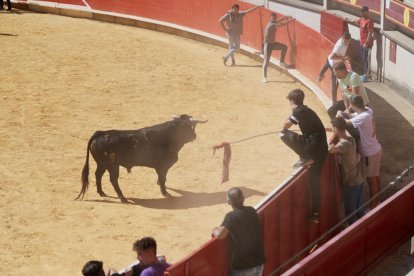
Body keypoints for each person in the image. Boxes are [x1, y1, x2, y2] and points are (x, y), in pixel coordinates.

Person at [280, 89, 328, 222]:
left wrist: (292, 111)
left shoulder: (299, 111)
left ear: (292, 101)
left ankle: (306, 157)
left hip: (312, 149)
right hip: (322, 151)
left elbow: (285, 126)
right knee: (315, 182)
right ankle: (316, 213)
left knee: (282, 134)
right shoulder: (307, 110)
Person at [337, 95, 382, 209]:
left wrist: (339, 115)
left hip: (369, 153)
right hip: (375, 148)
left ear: (352, 105)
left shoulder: (363, 116)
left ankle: (374, 207)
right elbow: (353, 116)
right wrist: (344, 114)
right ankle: (378, 202)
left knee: (371, 180)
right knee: (375, 177)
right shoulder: (368, 110)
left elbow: (346, 122)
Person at [212, 187, 265, 276]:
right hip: (258, 262)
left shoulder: (231, 217)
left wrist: (214, 229)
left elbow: (219, 235)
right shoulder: (251, 211)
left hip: (243, 266)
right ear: (243, 199)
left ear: (228, 202)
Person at [329, 117, 364, 225]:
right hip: (358, 179)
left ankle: (354, 233)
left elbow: (330, 150)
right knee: (359, 209)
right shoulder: (351, 139)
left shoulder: (344, 144)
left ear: (336, 129)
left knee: (350, 212)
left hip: (350, 182)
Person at [329, 61, 370, 141]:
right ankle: (341, 130)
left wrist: (348, 111)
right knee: (331, 111)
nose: (335, 75)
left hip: (360, 106)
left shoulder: (353, 77)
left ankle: (351, 137)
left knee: (349, 121)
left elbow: (356, 97)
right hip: (351, 103)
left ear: (343, 71)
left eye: (336, 73)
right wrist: (347, 107)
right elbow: (344, 93)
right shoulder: (340, 78)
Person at [317, 32, 352, 103]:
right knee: (335, 84)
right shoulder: (340, 46)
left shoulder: (343, 40)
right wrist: (343, 57)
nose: (346, 43)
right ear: (343, 39)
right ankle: (334, 102)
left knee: (327, 63)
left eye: (348, 41)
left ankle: (320, 76)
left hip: (330, 60)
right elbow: (333, 56)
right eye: (345, 41)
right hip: (334, 65)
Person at [262, 13, 294, 83]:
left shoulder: (273, 22)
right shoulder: (271, 25)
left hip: (272, 44)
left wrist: (285, 16)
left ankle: (281, 62)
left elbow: (278, 21)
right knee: (266, 62)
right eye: (273, 18)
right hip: (267, 45)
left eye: (275, 18)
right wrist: (290, 20)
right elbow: (281, 24)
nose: (274, 19)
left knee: (284, 47)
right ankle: (264, 77)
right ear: (270, 18)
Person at [347, 6, 374, 82]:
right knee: (363, 58)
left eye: (363, 11)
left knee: (366, 59)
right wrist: (348, 20)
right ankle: (365, 74)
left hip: (367, 43)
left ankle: (367, 75)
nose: (362, 13)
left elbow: (370, 32)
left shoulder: (369, 20)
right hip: (362, 42)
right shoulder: (362, 19)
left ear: (367, 11)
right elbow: (355, 21)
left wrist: (366, 42)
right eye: (361, 11)